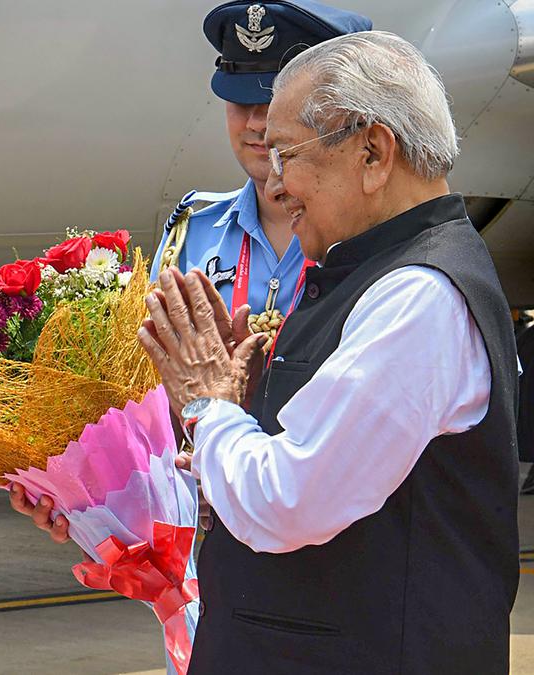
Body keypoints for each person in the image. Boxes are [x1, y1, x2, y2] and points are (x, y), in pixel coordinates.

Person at [139, 31, 518, 673]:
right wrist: (245, 411)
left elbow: (292, 499)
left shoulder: (417, 297)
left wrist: (208, 406)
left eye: (287, 154)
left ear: (372, 152)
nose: (275, 182)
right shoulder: (375, 272)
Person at [10, 1, 369, 670]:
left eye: (274, 99)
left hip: (332, 550)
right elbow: (146, 405)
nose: (258, 122)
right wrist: (79, 496)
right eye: (240, 101)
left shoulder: (370, 247)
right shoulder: (193, 227)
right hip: (215, 569)